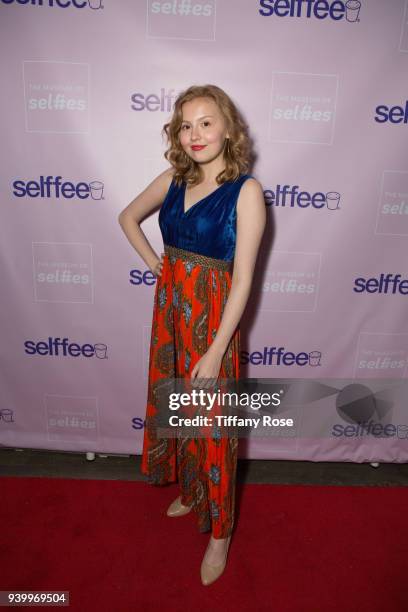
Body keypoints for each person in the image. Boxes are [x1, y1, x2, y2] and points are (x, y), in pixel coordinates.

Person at [118, 84, 265, 585]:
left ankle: (220, 532)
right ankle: (193, 489)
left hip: (214, 327)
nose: (195, 133)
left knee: (215, 427)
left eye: (206, 122)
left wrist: (217, 348)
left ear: (227, 127)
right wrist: (159, 267)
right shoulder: (173, 180)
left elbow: (243, 279)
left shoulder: (245, 191)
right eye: (186, 124)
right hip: (171, 319)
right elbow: (127, 218)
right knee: (177, 408)